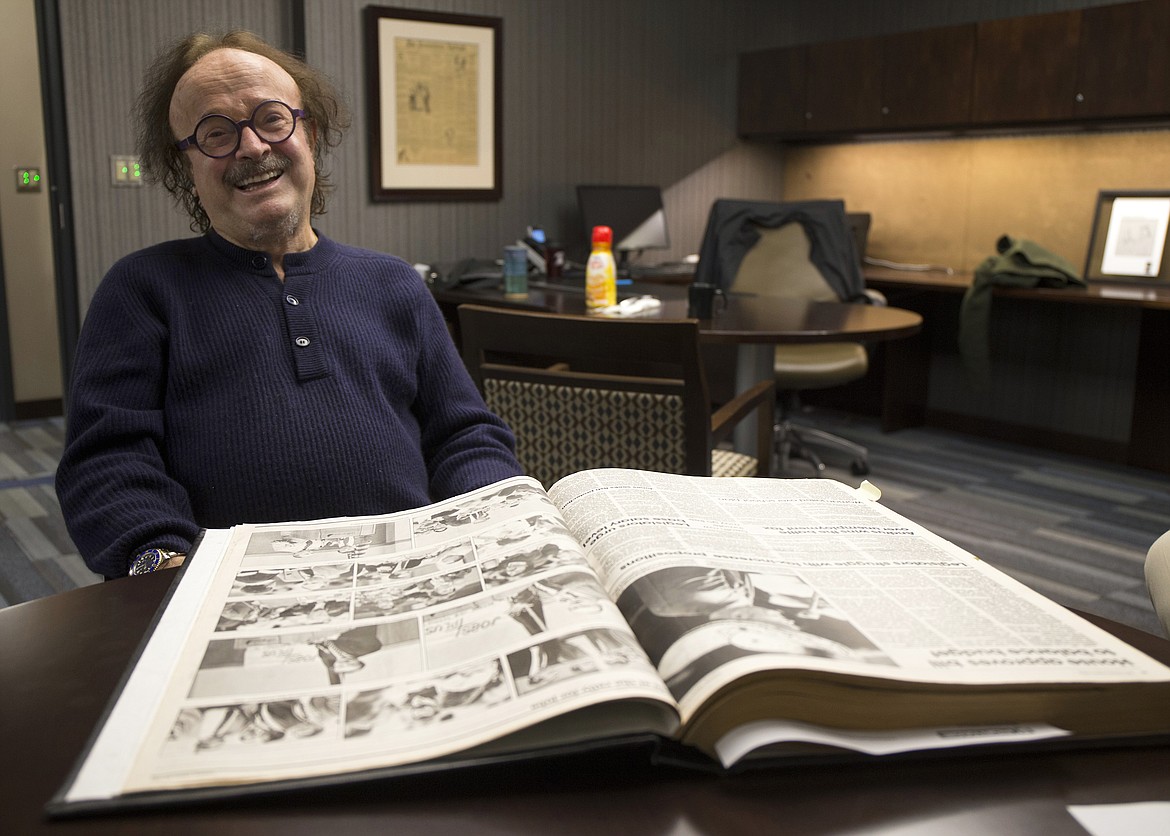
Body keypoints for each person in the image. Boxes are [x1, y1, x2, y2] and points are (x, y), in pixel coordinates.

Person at [55, 31, 523, 579]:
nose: (251, 147)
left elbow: (465, 435)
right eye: (215, 133)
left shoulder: (394, 283)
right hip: (224, 591)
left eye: (271, 119)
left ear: (310, 133)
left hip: (413, 574)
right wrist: (161, 565)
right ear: (186, 168)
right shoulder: (141, 290)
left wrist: (497, 523)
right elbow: (107, 462)